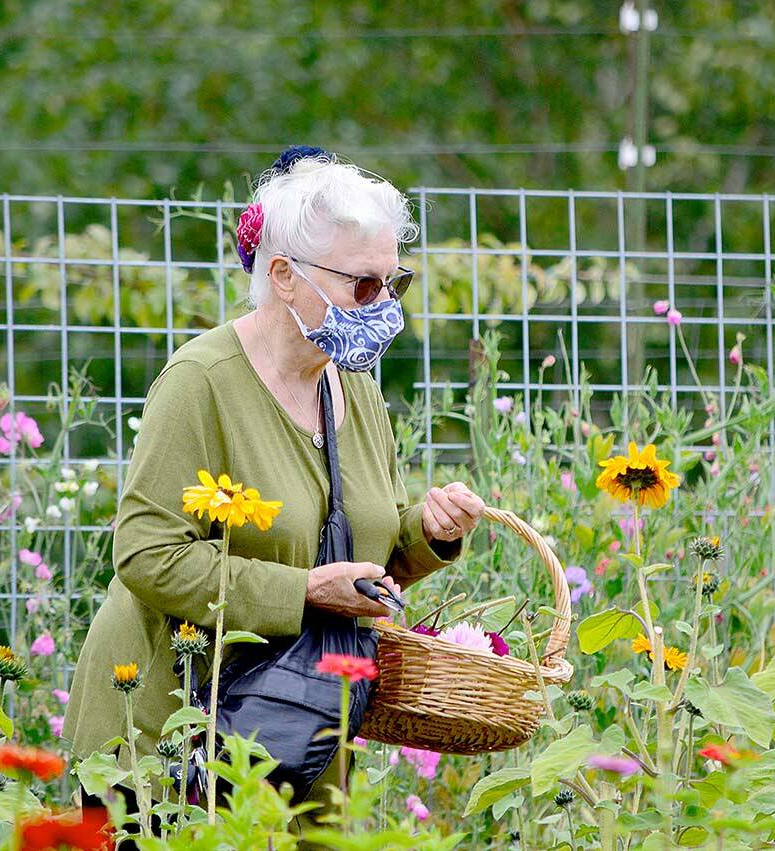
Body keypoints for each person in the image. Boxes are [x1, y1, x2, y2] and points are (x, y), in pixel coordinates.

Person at [63, 146, 485, 848]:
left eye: (394, 282)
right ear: (284, 276)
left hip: (304, 736)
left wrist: (429, 532)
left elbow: (357, 554)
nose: (381, 305)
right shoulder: (202, 381)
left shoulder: (355, 389)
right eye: (362, 284)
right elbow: (145, 555)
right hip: (172, 738)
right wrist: (303, 591)